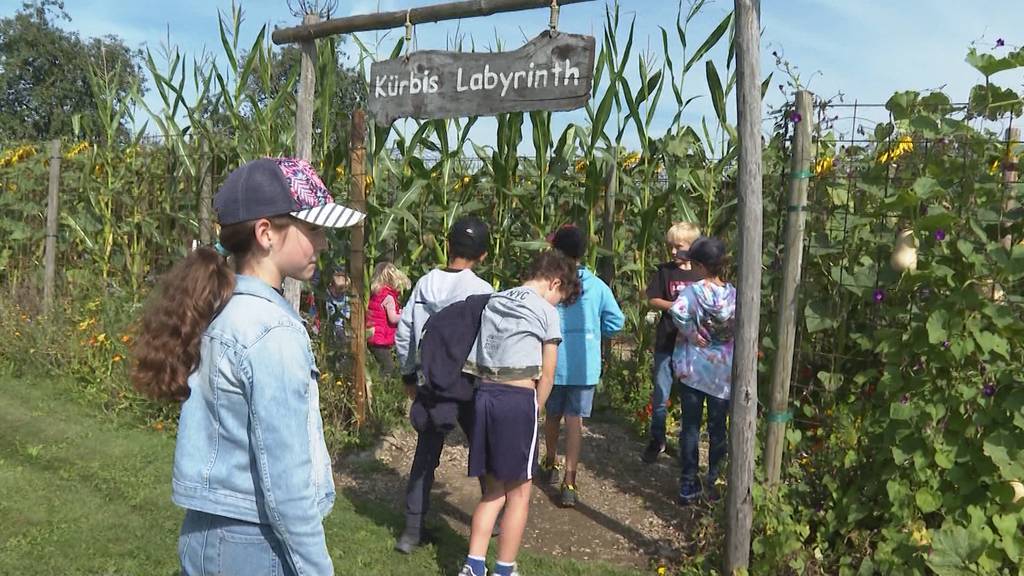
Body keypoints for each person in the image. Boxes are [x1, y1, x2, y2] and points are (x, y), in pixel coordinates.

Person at [130, 157, 364, 575]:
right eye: (312, 229)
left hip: (204, 533)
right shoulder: (272, 330)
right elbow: (287, 481)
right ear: (266, 233)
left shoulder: (220, 309)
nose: (324, 243)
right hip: (253, 545)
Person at [459, 250, 582, 576]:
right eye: (561, 296)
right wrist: (537, 407)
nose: (557, 303)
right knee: (520, 492)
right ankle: (504, 568)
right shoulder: (544, 310)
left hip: (484, 396)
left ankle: (472, 565)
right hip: (517, 399)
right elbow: (550, 371)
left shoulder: (495, 299)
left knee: (494, 488)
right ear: (555, 282)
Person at [394, 216, 495, 554]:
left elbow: (405, 331)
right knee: (483, 448)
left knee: (425, 455)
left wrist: (409, 374)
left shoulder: (425, 284)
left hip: (431, 382)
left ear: (448, 246)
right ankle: (492, 518)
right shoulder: (483, 291)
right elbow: (490, 342)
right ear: (482, 255)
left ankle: (411, 531)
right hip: (468, 383)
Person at [538, 225, 624, 508]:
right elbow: (616, 321)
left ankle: (550, 462)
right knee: (575, 421)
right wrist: (593, 333)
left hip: (553, 363)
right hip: (584, 366)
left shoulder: (550, 283)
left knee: (552, 416)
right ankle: (570, 481)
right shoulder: (597, 286)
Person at [669, 236, 736, 505]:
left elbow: (678, 312)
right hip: (723, 373)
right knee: (718, 429)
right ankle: (716, 481)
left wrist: (691, 333)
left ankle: (688, 483)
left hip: (695, 369)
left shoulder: (694, 292)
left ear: (699, 265)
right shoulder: (734, 295)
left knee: (691, 428)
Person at [641, 221, 703, 463]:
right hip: (667, 340)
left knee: (690, 397)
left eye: (679, 247)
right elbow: (653, 299)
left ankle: (688, 445)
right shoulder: (665, 272)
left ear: (693, 247)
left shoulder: (700, 274)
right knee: (661, 392)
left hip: (692, 346)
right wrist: (675, 306)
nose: (674, 252)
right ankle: (657, 439)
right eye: (671, 247)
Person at [366, 261, 410, 376]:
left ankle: (379, 384)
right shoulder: (389, 297)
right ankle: (382, 388)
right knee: (388, 367)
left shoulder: (377, 293)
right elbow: (393, 318)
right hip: (379, 339)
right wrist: (405, 314)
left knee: (382, 364)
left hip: (373, 335)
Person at [325, 266, 352, 371]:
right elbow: (328, 310)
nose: (339, 293)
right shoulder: (327, 296)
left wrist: (347, 315)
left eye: (342, 291)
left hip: (341, 326)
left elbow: (347, 309)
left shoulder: (345, 297)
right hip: (332, 325)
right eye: (338, 291)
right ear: (331, 286)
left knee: (343, 344)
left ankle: (342, 364)